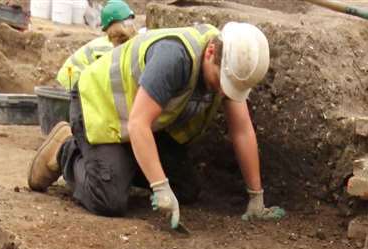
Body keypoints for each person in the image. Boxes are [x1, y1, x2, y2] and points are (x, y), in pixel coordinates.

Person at [27, 20, 285, 227]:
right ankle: (65, 152)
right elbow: (138, 124)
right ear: (210, 53)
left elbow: (242, 131)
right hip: (99, 110)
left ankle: (118, 164)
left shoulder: (228, 63)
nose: (223, 91)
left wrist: (256, 197)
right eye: (221, 81)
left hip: (142, 123)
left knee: (186, 189)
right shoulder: (175, 58)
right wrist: (160, 187)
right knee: (109, 200)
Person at [54, 0, 137, 90]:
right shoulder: (106, 47)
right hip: (72, 78)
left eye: (131, 20)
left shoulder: (118, 43)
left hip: (79, 79)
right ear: (117, 23)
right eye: (128, 21)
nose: (132, 25)